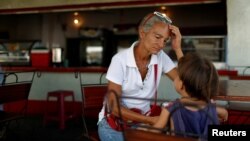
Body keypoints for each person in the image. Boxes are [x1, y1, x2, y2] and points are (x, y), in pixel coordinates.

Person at [98, 11, 184, 141]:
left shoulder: (160, 57)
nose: (161, 45)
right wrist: (150, 120)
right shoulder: (120, 60)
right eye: (157, 37)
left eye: (165, 41)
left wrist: (177, 48)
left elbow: (184, 82)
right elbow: (114, 108)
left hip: (142, 124)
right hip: (114, 125)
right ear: (142, 33)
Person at [152, 52, 228, 139]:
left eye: (177, 75)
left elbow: (155, 130)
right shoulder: (212, 107)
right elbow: (224, 114)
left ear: (181, 85)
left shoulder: (170, 108)